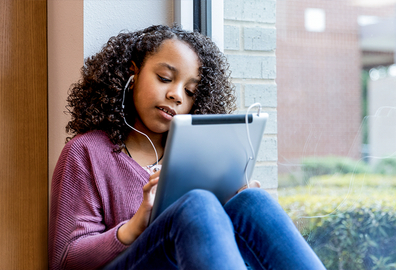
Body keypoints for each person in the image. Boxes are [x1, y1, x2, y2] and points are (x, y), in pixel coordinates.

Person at [49, 24, 326, 270]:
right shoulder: (86, 151)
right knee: (197, 202)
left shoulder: (196, 157)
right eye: (165, 78)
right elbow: (65, 259)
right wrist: (134, 227)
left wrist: (228, 203)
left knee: (252, 201)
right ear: (131, 75)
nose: (176, 95)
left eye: (190, 91)